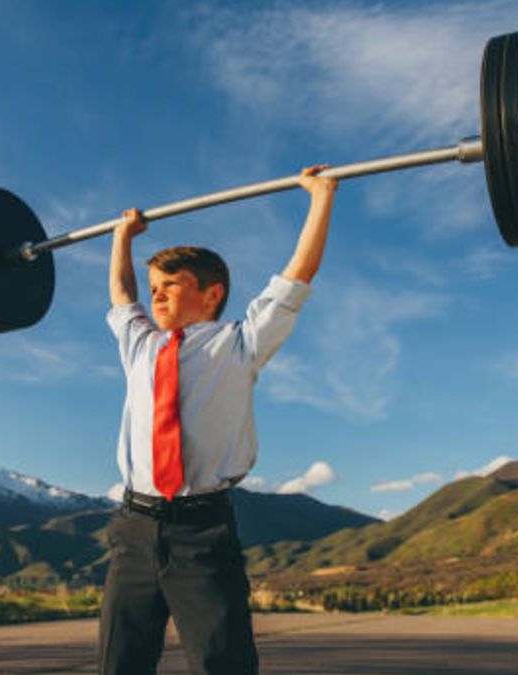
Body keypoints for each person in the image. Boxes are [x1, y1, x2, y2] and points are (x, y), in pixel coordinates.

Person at [99, 165, 338, 674]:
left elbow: (296, 277)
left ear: (212, 294)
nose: (156, 294)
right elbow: (122, 295)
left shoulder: (240, 344)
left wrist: (321, 197)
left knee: (222, 665)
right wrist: (122, 236)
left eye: (170, 285)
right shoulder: (139, 344)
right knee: (120, 665)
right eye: (154, 285)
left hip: (201, 533)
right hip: (135, 528)